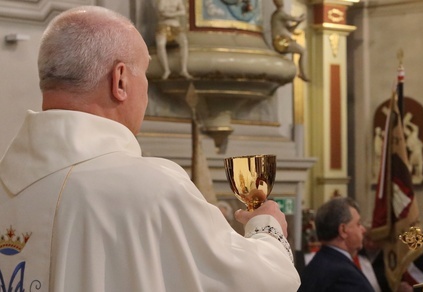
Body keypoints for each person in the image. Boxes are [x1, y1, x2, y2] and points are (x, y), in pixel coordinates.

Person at [0, 6, 299, 292]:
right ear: (119, 80)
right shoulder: (153, 188)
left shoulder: (6, 181)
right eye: (144, 73)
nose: (145, 88)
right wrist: (267, 225)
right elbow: (260, 281)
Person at [298, 197, 375, 292]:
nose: (363, 230)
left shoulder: (316, 265)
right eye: (358, 224)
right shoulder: (344, 275)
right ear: (343, 230)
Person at [270, 0, 309, 82]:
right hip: (281, 42)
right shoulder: (279, 14)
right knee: (303, 51)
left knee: (303, 51)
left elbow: (290, 30)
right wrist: (303, 16)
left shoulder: (281, 15)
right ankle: (303, 73)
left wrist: (299, 23)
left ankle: (302, 73)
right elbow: (295, 19)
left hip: (284, 41)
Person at [154, 0, 192, 79]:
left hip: (175, 26)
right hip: (163, 25)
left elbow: (183, 12)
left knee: (184, 42)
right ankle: (166, 70)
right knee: (160, 44)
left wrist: (170, 14)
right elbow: (161, 11)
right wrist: (175, 13)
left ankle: (183, 69)